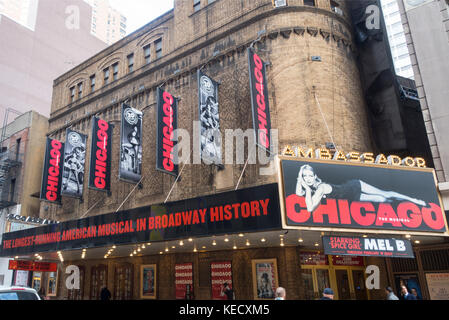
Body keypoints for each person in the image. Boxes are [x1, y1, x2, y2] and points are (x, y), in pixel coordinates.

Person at [296, 164, 427, 213]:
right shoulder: (312, 187)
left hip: (353, 186)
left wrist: (307, 190)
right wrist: (300, 180)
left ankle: (415, 201)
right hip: (351, 196)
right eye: (304, 176)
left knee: (385, 194)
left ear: (314, 175)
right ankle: (406, 204)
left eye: (310, 175)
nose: (308, 178)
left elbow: (310, 208)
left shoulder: (321, 188)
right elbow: (298, 193)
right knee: (382, 200)